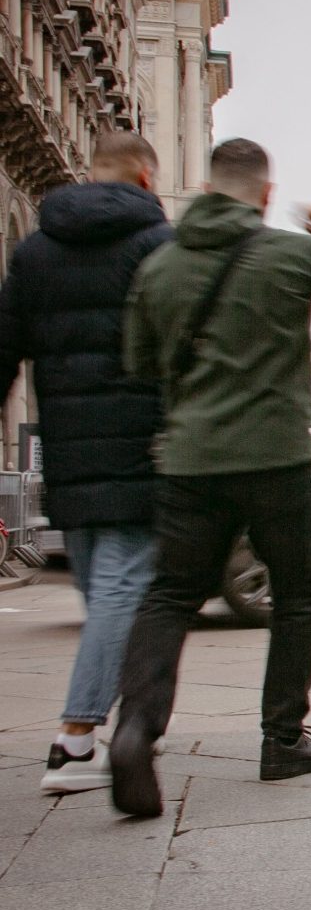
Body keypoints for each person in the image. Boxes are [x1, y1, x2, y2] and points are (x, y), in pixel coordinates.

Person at [108, 139, 311, 817]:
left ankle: (135, 731)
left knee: (169, 597)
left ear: (206, 189)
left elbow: (140, 362)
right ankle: (282, 739)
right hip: (277, 458)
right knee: (297, 595)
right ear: (266, 195)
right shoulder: (286, 253)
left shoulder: (159, 266)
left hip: (191, 461)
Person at [0, 132, 172, 794]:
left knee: (103, 590)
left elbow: (4, 346)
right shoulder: (157, 246)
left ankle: (113, 727)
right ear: (146, 178)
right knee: (122, 589)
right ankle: (76, 736)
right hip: (137, 446)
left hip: (67, 451)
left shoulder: (35, 251)